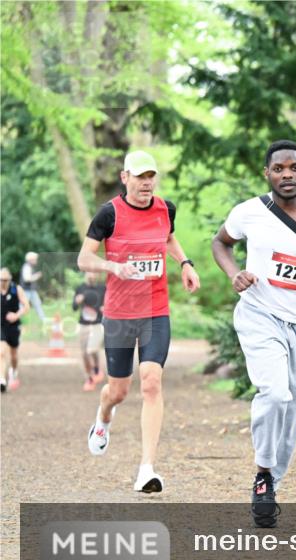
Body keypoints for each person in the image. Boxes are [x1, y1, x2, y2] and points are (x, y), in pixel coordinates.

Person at [212, 140, 296, 528]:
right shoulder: (249, 212)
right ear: (267, 173)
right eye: (278, 169)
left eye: (293, 168)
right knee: (274, 394)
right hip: (260, 314)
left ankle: (272, 480)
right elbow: (220, 242)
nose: (286, 175)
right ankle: (262, 476)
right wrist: (233, 274)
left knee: (293, 411)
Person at [77, 150, 200, 492]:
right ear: (125, 177)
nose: (147, 183)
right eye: (140, 176)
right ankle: (103, 418)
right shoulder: (108, 214)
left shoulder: (165, 208)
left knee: (151, 381)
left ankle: (147, 469)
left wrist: (185, 262)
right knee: (118, 391)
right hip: (118, 314)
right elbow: (84, 258)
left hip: (155, 310)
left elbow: (169, 237)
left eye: (151, 177)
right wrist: (114, 267)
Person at [73, 271, 107, 390]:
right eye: (89, 273)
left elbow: (109, 303)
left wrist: (105, 307)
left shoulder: (103, 288)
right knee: (84, 354)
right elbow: (74, 307)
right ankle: (89, 378)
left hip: (97, 324)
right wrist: (77, 301)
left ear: (97, 275)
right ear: (85, 274)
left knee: (91, 350)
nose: (92, 275)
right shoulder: (80, 288)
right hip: (83, 325)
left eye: (94, 273)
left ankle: (97, 368)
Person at [1, 267, 29, 392]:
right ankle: (1, 379)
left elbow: (26, 306)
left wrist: (16, 315)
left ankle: (14, 370)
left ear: (10, 279)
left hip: (12, 326)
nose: (3, 282)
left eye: (5, 280)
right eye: (1, 280)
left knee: (13, 355)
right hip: (0, 325)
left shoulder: (16, 289)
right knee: (1, 352)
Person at [20, 251, 45, 323]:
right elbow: (27, 279)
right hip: (26, 290)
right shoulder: (27, 267)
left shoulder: (29, 267)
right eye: (35, 259)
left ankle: (43, 319)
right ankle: (18, 320)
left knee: (37, 304)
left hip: (31, 290)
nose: (36, 260)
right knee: (23, 306)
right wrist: (37, 276)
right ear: (30, 259)